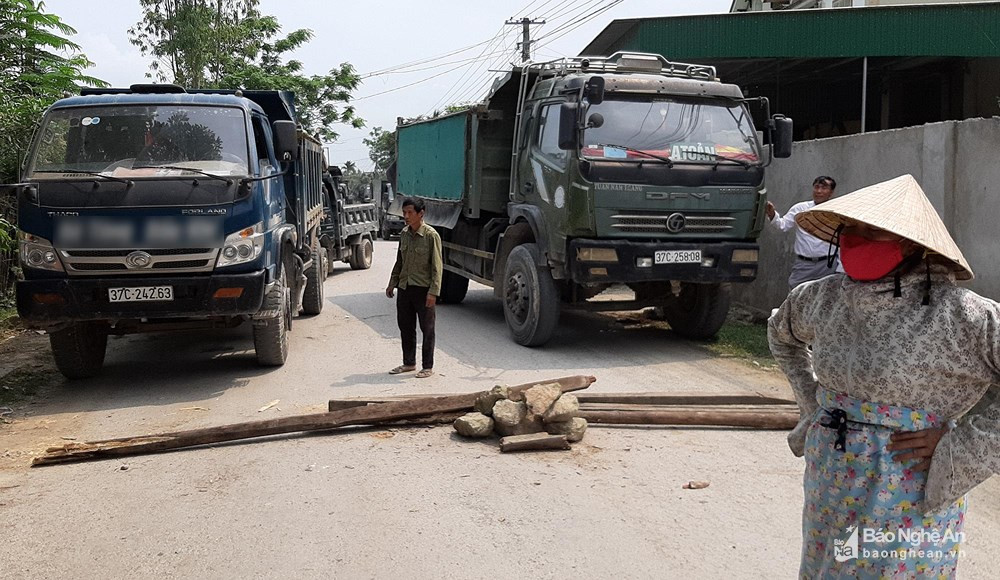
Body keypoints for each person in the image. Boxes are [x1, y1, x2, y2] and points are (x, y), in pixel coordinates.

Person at [768, 174, 999, 578]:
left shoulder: (964, 314)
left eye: (870, 231)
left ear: (909, 243)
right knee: (828, 568)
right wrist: (811, 406)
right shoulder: (822, 296)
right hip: (832, 473)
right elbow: (781, 334)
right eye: (850, 230)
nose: (855, 240)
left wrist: (964, 444)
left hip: (908, 478)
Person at [385, 198, 443, 378]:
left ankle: (427, 367)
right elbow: (399, 261)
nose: (406, 216)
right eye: (404, 213)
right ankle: (409, 363)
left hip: (423, 290)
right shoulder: (404, 234)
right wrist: (392, 283)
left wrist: (433, 292)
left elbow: (437, 266)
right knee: (405, 326)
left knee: (427, 329)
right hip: (405, 288)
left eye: (410, 212)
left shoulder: (431, 236)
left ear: (421, 213)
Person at [766, 176, 841, 288]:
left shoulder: (837, 211)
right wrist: (771, 214)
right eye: (816, 187)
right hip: (804, 264)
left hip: (828, 264)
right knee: (796, 294)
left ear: (831, 192)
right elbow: (782, 225)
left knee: (826, 297)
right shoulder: (800, 209)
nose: (819, 191)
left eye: (824, 188)